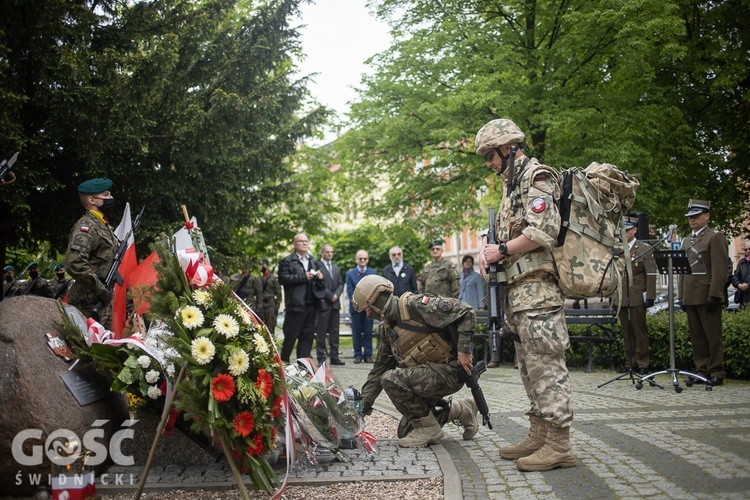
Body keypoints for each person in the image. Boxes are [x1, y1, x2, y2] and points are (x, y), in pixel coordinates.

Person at [475, 118, 575, 472]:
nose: (489, 163)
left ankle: (559, 442)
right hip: (517, 292)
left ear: (509, 148)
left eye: (490, 155)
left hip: (538, 291)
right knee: (528, 366)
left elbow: (544, 230)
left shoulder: (537, 177)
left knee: (546, 364)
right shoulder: (511, 186)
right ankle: (540, 433)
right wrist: (492, 247)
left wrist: (499, 249)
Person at [356, 275, 479, 447]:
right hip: (424, 378)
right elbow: (378, 370)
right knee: (405, 431)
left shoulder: (416, 305)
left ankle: (430, 429)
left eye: (367, 309)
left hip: (451, 371)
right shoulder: (388, 330)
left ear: (376, 302)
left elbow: (466, 311)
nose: (367, 314)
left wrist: (464, 350)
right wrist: (361, 407)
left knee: (390, 379)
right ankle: (461, 409)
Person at [678, 199, 729, 386]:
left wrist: (715, 294)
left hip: (707, 293)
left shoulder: (715, 237)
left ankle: (717, 371)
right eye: (690, 217)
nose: (692, 220)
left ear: (706, 216)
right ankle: (703, 370)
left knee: (712, 336)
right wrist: (681, 295)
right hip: (691, 295)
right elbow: (683, 270)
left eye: (696, 216)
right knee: (697, 336)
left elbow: (720, 268)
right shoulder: (687, 239)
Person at [64, 178, 119, 329]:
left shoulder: (102, 225)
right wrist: (100, 289)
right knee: (86, 348)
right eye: (106, 195)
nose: (111, 198)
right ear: (91, 200)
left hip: (102, 301)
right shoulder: (86, 226)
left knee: (104, 347)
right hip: (87, 302)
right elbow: (74, 263)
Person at [612, 217, 656, 374]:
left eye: (628, 229)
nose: (625, 232)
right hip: (622, 295)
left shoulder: (643, 248)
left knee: (639, 330)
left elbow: (650, 273)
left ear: (635, 230)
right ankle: (629, 363)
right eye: (623, 229)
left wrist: (650, 296)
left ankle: (643, 363)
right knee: (626, 331)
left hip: (637, 294)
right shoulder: (617, 249)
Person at [278, 233, 322, 362]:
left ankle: (302, 368)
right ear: (294, 244)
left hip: (311, 305)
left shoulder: (313, 261)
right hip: (295, 306)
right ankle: (284, 365)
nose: (304, 244)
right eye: (301, 241)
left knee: (307, 339)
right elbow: (282, 279)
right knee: (290, 338)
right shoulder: (287, 260)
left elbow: (320, 285)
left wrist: (320, 278)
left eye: (306, 241)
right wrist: (303, 276)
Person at [315, 244, 345, 365]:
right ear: (322, 253)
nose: (329, 254)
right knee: (321, 332)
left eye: (331, 252)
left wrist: (336, 295)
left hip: (335, 304)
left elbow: (340, 284)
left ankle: (334, 356)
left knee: (334, 332)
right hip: (323, 304)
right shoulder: (317, 266)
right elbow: (317, 284)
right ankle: (321, 358)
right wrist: (330, 295)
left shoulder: (336, 268)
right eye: (327, 252)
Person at [346, 250, 377, 363]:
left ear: (367, 259)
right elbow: (350, 291)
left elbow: (375, 289)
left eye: (364, 258)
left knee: (368, 332)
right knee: (356, 332)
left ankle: (368, 355)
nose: (362, 260)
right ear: (356, 260)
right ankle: (358, 355)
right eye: (360, 258)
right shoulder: (350, 274)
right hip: (356, 308)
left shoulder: (373, 272)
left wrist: (369, 304)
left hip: (369, 309)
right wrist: (359, 303)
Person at [257, 258, 281, 333]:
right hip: (261, 306)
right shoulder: (258, 278)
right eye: (261, 265)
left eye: (264, 265)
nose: (263, 267)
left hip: (270, 305)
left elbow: (279, 293)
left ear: (267, 266)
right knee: (260, 328)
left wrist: (276, 306)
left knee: (270, 328)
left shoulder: (273, 278)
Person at [731, 241, 750, 309]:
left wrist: (748, 285)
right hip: (743, 297)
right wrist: (738, 284)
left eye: (749, 249)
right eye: (745, 249)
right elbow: (735, 276)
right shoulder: (742, 262)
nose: (747, 251)